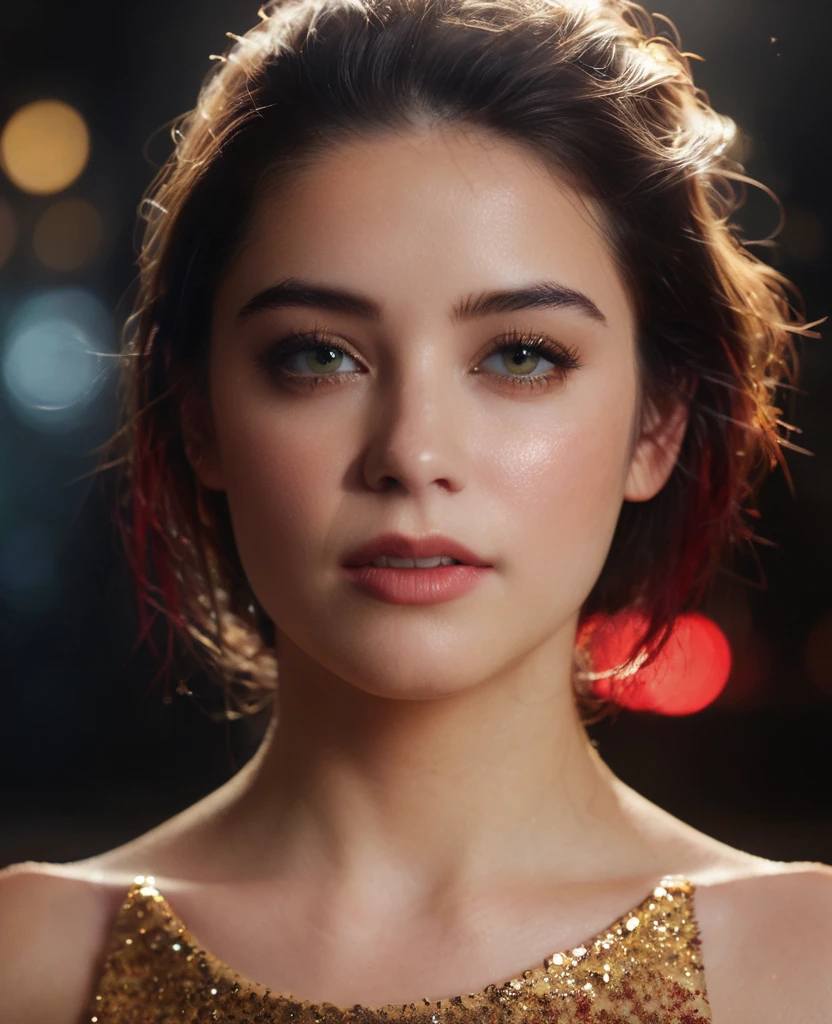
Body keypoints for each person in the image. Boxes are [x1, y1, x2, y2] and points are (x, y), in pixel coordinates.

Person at [2, 0, 830, 1020]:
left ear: (656, 424)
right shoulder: (32, 962)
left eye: (521, 355)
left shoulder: (802, 966)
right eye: (318, 355)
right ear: (201, 415)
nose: (412, 454)